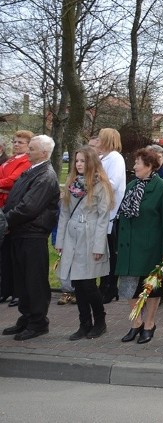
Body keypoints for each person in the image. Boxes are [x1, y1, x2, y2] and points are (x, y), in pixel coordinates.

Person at [0, 135, 60, 341]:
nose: (28, 152)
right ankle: (26, 317)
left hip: (33, 233)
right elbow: (16, 199)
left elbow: (29, 207)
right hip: (20, 232)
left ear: (44, 153)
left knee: (34, 280)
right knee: (22, 279)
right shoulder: (32, 170)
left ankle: (38, 321)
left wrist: (5, 221)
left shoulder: (45, 176)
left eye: (32, 149)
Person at [115, 148, 163, 344]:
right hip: (129, 246)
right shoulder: (132, 185)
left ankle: (149, 324)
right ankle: (136, 323)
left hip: (151, 248)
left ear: (149, 166)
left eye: (137, 163)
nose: (133, 167)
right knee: (128, 288)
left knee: (151, 288)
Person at [56, 146, 114, 340]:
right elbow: (64, 214)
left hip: (90, 237)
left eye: (83, 161)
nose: (79, 164)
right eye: (77, 161)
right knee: (77, 284)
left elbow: (103, 217)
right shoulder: (71, 184)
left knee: (88, 284)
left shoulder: (101, 185)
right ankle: (84, 323)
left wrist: (98, 246)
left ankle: (100, 321)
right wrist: (60, 240)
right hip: (73, 236)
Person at [91, 128, 126, 304]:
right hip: (100, 212)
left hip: (110, 212)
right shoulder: (105, 158)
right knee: (104, 252)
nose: (96, 141)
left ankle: (110, 287)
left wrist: (94, 181)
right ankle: (104, 285)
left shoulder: (115, 158)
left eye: (99, 138)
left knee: (110, 253)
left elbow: (112, 183)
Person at [0, 130, 33, 306]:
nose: (16, 145)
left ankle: (16, 291)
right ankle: (5, 288)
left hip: (12, 208)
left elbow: (13, 181)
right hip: (2, 204)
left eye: (20, 142)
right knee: (5, 252)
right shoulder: (11, 160)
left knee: (13, 252)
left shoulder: (26, 161)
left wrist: (3, 185)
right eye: (15, 141)